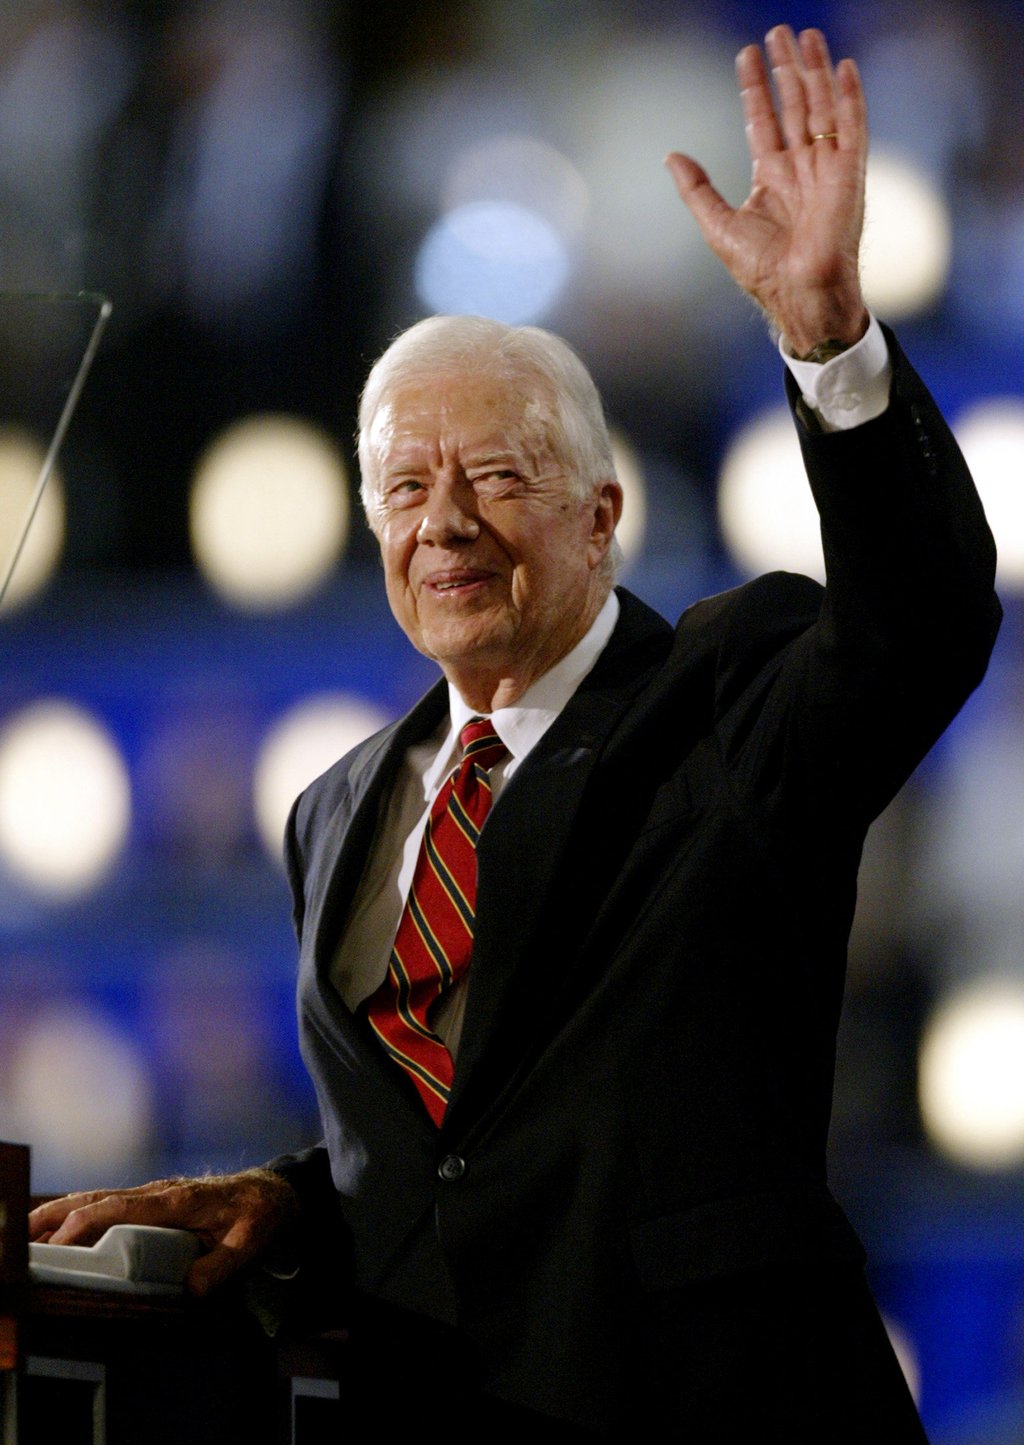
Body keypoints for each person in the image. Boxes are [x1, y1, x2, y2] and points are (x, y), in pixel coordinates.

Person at [31, 25, 1000, 1440]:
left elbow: (921, 622)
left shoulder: (728, 701)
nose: (447, 523)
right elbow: (469, 1142)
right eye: (407, 487)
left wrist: (829, 339)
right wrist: (290, 1202)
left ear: (602, 517)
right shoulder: (336, 805)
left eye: (495, 474)